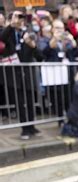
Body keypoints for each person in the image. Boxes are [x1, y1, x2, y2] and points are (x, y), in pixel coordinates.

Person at [0, 10, 44, 139]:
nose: (20, 20)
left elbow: (40, 57)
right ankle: (25, 128)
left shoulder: (27, 33)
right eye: (17, 17)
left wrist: (32, 45)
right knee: (20, 103)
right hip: (14, 75)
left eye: (21, 17)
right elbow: (1, 39)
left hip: (27, 73)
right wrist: (12, 25)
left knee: (30, 101)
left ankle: (32, 126)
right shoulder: (7, 32)